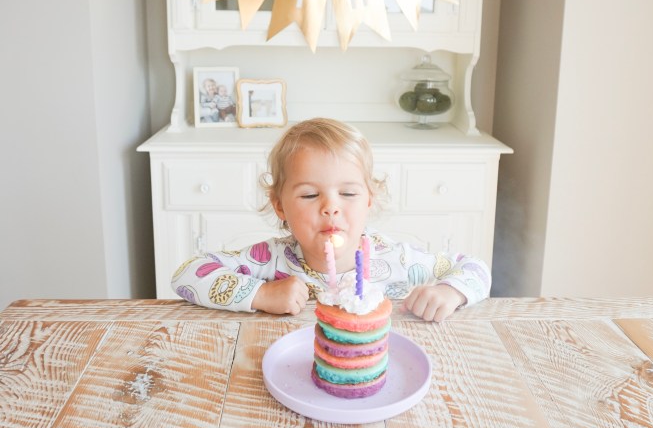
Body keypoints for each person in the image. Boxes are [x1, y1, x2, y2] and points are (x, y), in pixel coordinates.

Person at [171, 118, 491, 322]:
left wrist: (450, 292)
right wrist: (262, 295)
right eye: (310, 195)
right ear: (279, 206)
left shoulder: (398, 260)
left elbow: (475, 268)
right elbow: (187, 275)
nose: (330, 208)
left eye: (348, 193)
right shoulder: (269, 260)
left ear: (369, 200)